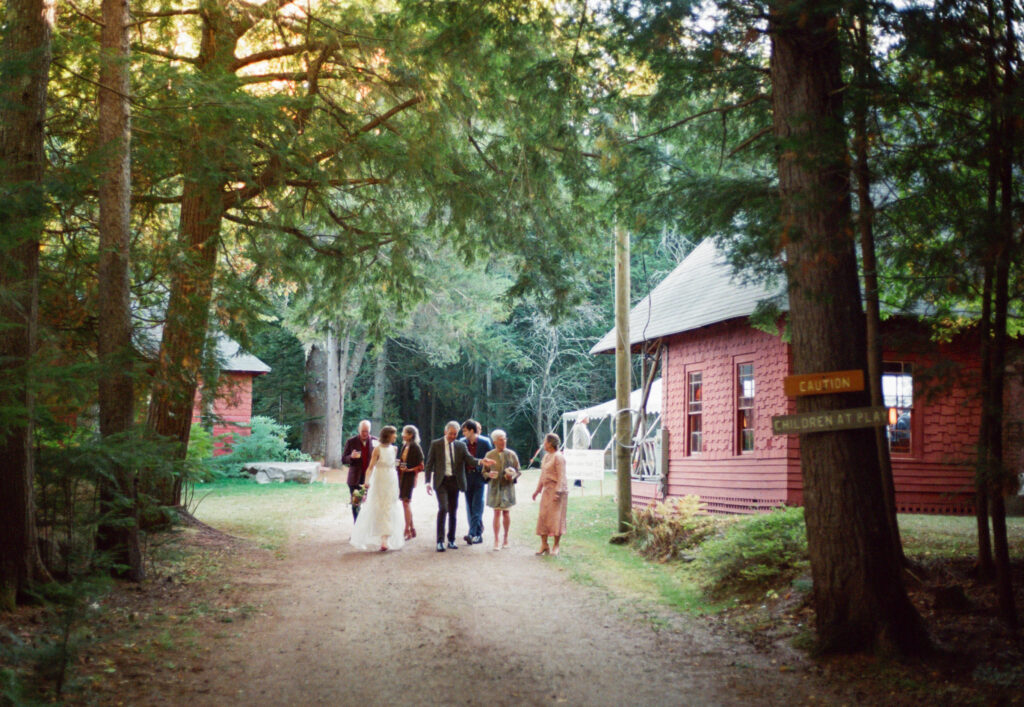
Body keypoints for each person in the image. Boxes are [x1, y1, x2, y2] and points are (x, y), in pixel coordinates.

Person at [424, 421, 494, 552]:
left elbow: (469, 459)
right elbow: (429, 464)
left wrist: (481, 461)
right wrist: (427, 482)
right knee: (443, 508)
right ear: (445, 432)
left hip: (455, 482)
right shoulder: (436, 444)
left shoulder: (461, 445)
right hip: (441, 482)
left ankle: (451, 540)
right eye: (450, 434)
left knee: (453, 511)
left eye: (455, 434)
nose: (452, 436)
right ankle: (440, 541)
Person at [350, 425, 404, 552]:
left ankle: (385, 539)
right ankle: (378, 538)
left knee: (390, 506)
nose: (396, 436)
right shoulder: (377, 449)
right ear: (388, 435)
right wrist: (366, 482)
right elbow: (370, 467)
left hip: (391, 479)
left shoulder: (394, 448)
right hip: (380, 479)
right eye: (394, 434)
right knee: (378, 506)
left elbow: (394, 465)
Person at [483, 429, 520, 551]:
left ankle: (506, 538)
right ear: (494, 441)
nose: (503, 441)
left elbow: (518, 471)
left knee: (506, 512)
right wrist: (489, 475)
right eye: (500, 439)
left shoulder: (511, 454)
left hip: (507, 488)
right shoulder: (489, 455)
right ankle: (496, 540)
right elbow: (484, 472)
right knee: (496, 513)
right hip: (495, 488)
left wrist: (512, 476)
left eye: (505, 439)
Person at [532, 432, 568, 556]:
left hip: (557, 490)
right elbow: (543, 475)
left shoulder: (559, 457)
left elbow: (561, 476)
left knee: (556, 518)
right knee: (543, 516)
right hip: (547, 490)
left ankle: (556, 545)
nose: (544, 444)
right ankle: (544, 544)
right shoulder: (546, 457)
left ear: (551, 443)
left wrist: (558, 492)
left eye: (545, 442)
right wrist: (537, 490)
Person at [459, 419, 493, 545]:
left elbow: (490, 458)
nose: (463, 433)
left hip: (479, 477)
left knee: (477, 505)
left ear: (472, 431)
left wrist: (488, 474)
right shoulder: (462, 443)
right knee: (470, 506)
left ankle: (472, 533)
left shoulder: (485, 442)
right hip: (466, 478)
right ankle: (478, 534)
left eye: (465, 431)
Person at [342, 420, 376, 521]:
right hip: (355, 479)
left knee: (371, 505)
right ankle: (357, 529)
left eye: (367, 431)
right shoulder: (351, 442)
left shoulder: (375, 442)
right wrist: (351, 457)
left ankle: (368, 530)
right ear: (358, 430)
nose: (365, 433)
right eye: (363, 431)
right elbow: (343, 459)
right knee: (356, 505)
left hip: (371, 479)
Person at [397, 424, 424, 540]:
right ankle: (412, 528)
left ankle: (407, 529)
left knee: (406, 502)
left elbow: (421, 465)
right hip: (402, 476)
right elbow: (403, 461)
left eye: (405, 433)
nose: (402, 435)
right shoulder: (405, 446)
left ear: (410, 435)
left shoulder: (415, 447)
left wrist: (410, 470)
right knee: (405, 502)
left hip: (409, 477)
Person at [569, 415, 591, 488]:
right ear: (583, 418)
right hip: (580, 450)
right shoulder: (579, 426)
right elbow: (580, 440)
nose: (588, 418)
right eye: (586, 417)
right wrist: (582, 449)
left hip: (584, 449)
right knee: (580, 466)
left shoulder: (583, 426)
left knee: (583, 466)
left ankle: (579, 482)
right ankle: (577, 482)